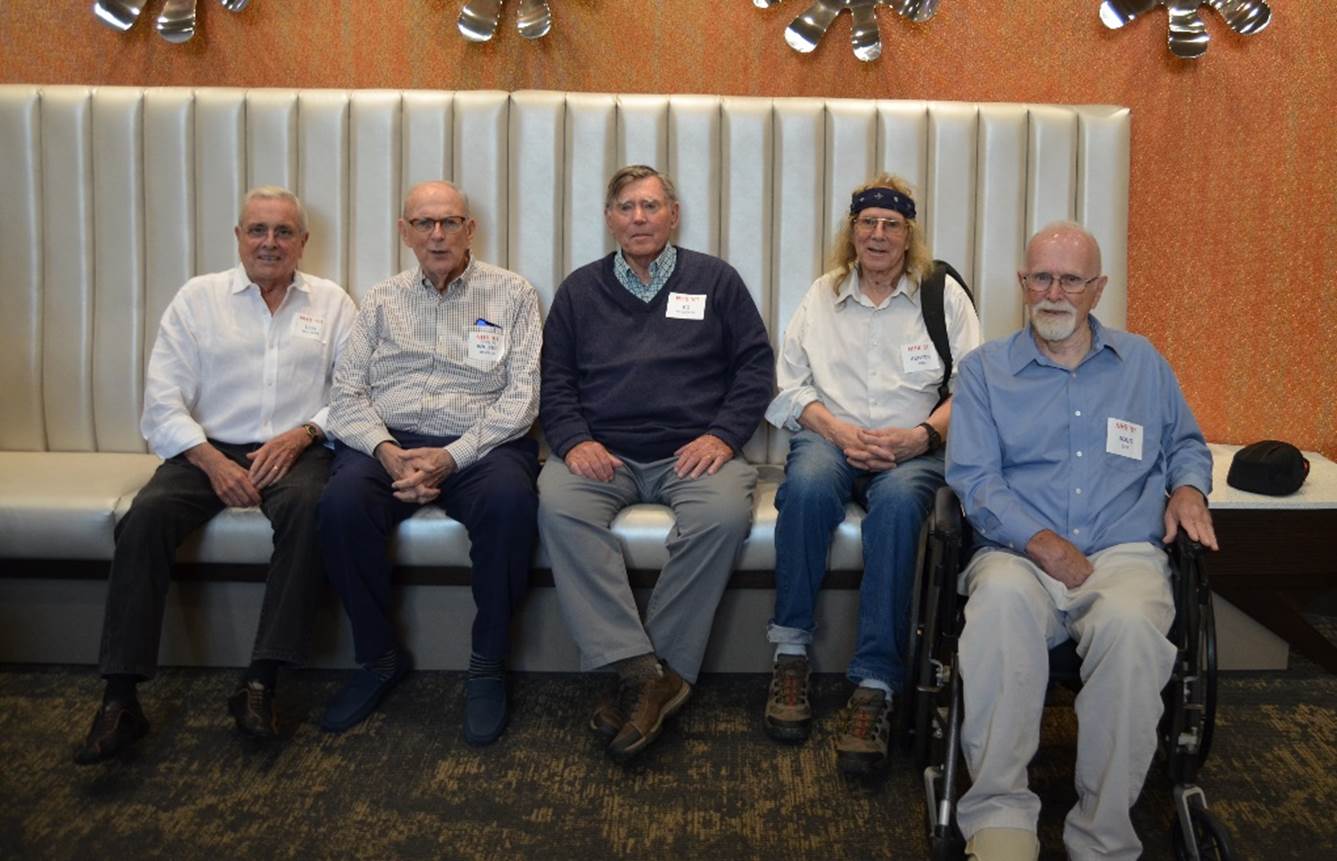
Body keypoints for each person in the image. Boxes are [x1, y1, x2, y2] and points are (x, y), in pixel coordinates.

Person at [945, 222, 1218, 860]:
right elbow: (974, 478)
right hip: (1018, 551)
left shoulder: (1142, 362)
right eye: (1041, 276)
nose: (1054, 292)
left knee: (1130, 627)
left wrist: (1188, 488)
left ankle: (1102, 834)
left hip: (1122, 552)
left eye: (1071, 279)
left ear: (1097, 288)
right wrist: (1039, 540)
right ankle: (1000, 818)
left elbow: (1185, 444)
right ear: (1022, 283)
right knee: (999, 612)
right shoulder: (986, 372)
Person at [75, 187, 357, 764]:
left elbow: (355, 393)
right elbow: (161, 402)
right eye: (258, 230)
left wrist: (304, 433)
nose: (270, 243)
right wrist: (210, 459)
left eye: (283, 232)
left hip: (296, 448)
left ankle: (261, 682)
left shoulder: (332, 303)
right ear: (238, 237)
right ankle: (121, 698)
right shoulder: (197, 299)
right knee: (144, 518)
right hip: (205, 449)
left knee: (311, 512)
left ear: (303, 242)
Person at [538, 165, 774, 761]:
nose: (638, 218)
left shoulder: (715, 281)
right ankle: (643, 670)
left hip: (692, 451)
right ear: (609, 218)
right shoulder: (580, 290)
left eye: (650, 206)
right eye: (626, 207)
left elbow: (754, 368)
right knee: (559, 505)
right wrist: (572, 441)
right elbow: (555, 379)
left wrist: (722, 436)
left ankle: (647, 672)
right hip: (603, 452)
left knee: (721, 517)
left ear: (673, 214)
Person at [763, 176, 981, 774]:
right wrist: (835, 431)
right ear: (851, 232)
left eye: (891, 224)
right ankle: (790, 654)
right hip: (832, 439)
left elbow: (973, 389)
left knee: (902, 509)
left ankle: (876, 685)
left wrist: (922, 437)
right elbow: (788, 389)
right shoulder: (822, 295)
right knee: (805, 487)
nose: (878, 234)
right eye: (867, 223)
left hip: (910, 451)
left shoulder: (942, 296)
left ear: (908, 234)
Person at [317, 181, 541, 746]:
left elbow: (523, 399)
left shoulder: (513, 294)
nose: (436, 234)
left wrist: (450, 457)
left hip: (481, 441)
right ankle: (377, 658)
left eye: (449, 222)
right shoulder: (381, 299)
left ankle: (488, 662)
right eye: (423, 223)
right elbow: (346, 394)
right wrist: (388, 453)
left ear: (471, 229)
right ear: (404, 232)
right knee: (340, 504)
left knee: (512, 504)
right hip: (389, 441)